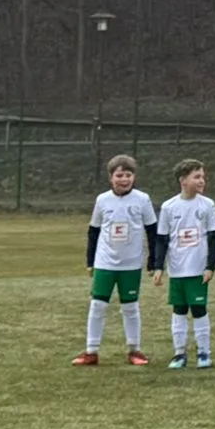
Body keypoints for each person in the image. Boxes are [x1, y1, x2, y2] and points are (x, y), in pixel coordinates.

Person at [76, 153, 157, 366]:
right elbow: (93, 231)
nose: (124, 179)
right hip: (105, 262)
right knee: (98, 305)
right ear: (111, 177)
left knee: (130, 307)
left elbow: (152, 231)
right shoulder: (102, 200)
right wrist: (90, 260)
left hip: (131, 263)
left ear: (134, 177)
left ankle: (135, 350)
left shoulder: (142, 199)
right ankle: (91, 351)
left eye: (128, 175)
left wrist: (153, 261)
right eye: (119, 175)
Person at [155, 158, 215, 370]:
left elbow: (213, 237)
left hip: (198, 269)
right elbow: (162, 239)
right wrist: (158, 267)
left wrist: (210, 266)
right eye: (197, 177)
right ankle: (179, 354)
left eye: (202, 176)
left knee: (199, 309)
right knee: (179, 309)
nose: (202, 180)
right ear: (183, 180)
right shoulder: (168, 207)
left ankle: (204, 353)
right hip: (177, 269)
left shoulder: (207, 205)